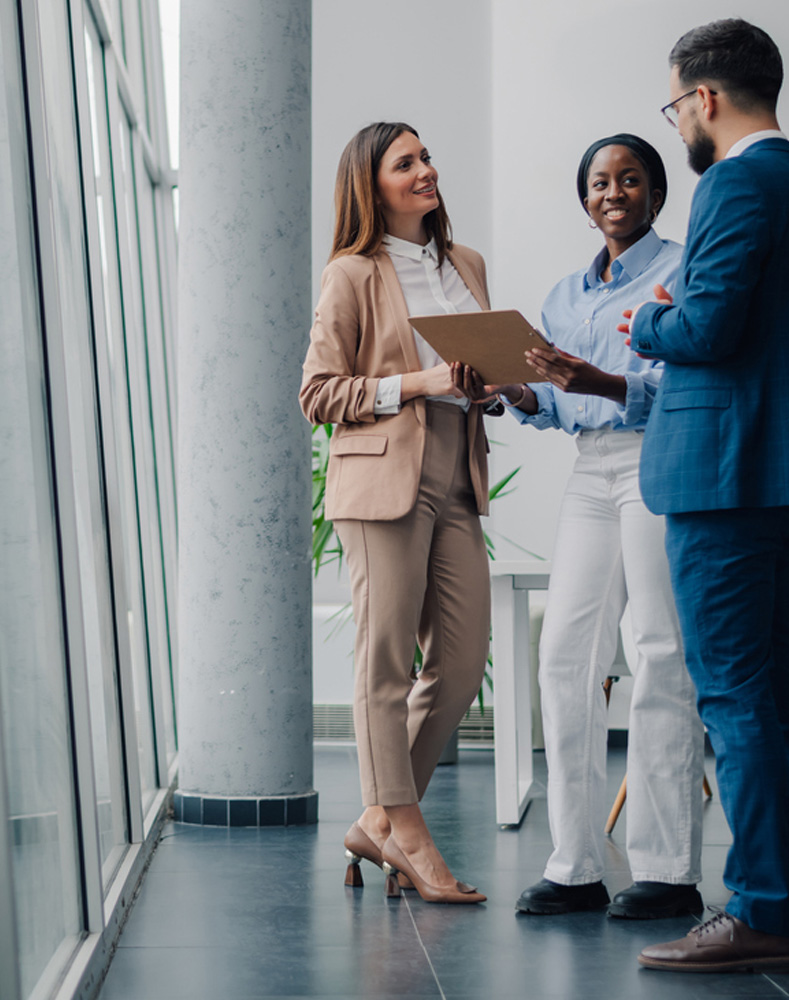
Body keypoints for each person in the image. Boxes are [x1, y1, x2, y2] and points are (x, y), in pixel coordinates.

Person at [622, 20, 789, 972]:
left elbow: (708, 329)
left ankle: (758, 908)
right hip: (779, 473)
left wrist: (649, 321)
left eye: (675, 105)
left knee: (734, 698)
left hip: (726, 477)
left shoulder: (736, 183)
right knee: (776, 694)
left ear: (705, 99)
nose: (677, 122)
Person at [459, 134, 704, 919]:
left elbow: (684, 384)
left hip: (659, 462)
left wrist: (597, 379)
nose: (613, 192)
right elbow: (563, 406)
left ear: (656, 195)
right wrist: (519, 395)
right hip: (591, 470)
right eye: (599, 182)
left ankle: (667, 870)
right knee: (565, 657)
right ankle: (575, 865)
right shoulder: (567, 295)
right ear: (585, 198)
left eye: (630, 179)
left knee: (660, 654)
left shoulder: (683, 272)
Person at [300, 121, 496, 905]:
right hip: (383, 477)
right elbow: (318, 394)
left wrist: (496, 385)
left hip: (457, 471)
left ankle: (377, 819)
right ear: (370, 184)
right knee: (385, 663)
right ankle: (405, 829)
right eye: (405, 162)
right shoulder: (351, 273)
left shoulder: (466, 265)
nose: (426, 170)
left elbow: (473, 373)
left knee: (460, 661)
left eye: (426, 158)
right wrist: (418, 383)